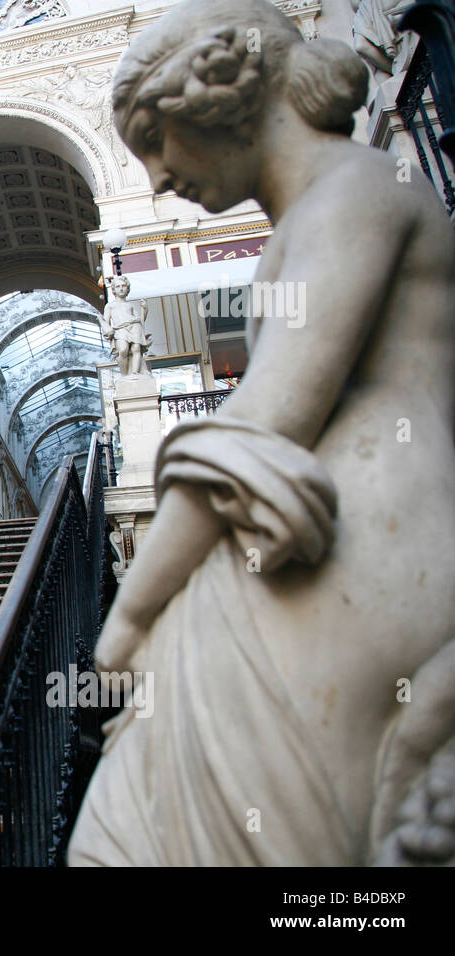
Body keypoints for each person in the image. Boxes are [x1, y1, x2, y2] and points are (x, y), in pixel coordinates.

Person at [68, 0, 455, 865]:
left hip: (356, 559)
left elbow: (264, 417)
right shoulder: (338, 200)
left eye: (156, 142)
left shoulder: (353, 191)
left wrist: (129, 616)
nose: (161, 178)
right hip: (318, 553)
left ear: (216, 96)